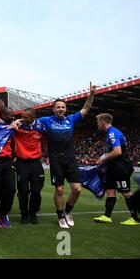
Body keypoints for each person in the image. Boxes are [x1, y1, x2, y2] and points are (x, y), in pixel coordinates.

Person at [38, 82, 96, 228]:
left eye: (63, 107)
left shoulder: (71, 119)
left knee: (77, 188)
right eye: (58, 107)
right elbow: (30, 120)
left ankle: (68, 212)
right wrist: (18, 121)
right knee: (59, 189)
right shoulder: (46, 120)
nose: (61, 109)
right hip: (55, 158)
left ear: (66, 109)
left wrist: (91, 94)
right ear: (53, 109)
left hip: (70, 158)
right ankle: (60, 216)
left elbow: (86, 109)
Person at [93, 113, 138, 225]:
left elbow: (118, 151)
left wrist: (103, 159)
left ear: (103, 122)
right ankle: (107, 216)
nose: (97, 124)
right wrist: (105, 156)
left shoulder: (112, 133)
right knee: (110, 191)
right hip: (113, 167)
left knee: (126, 192)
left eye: (98, 122)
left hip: (121, 167)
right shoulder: (110, 132)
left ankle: (135, 218)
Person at [13, 108, 45, 224]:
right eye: (22, 116)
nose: (23, 118)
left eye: (25, 117)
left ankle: (33, 213)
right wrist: (15, 122)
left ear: (33, 118)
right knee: (23, 191)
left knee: (36, 191)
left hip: (36, 163)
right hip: (22, 163)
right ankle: (24, 214)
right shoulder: (18, 125)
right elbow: (8, 127)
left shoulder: (40, 127)